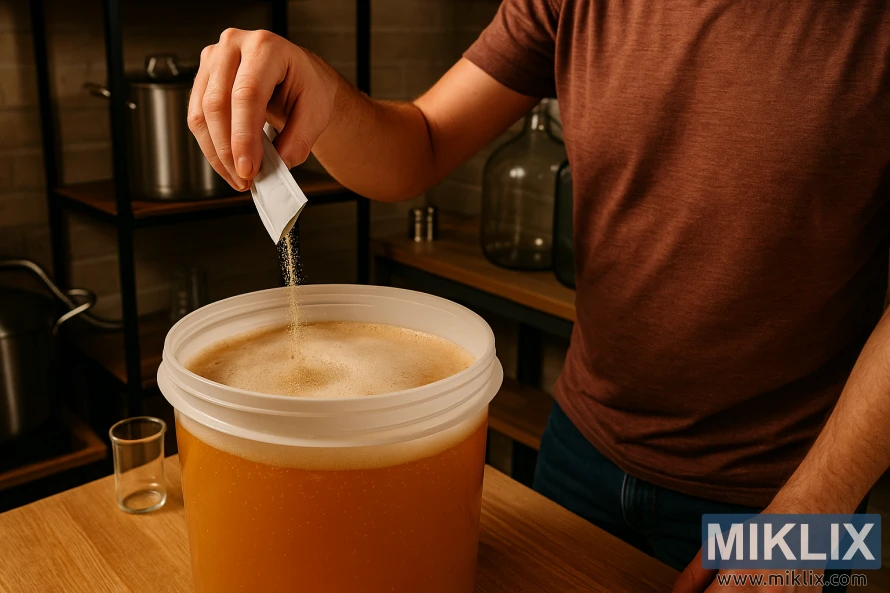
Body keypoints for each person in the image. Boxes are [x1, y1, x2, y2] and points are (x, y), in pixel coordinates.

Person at [188, 2, 890, 591]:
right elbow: (422, 142)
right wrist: (322, 92)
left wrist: (814, 512)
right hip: (579, 451)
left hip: (786, 490)